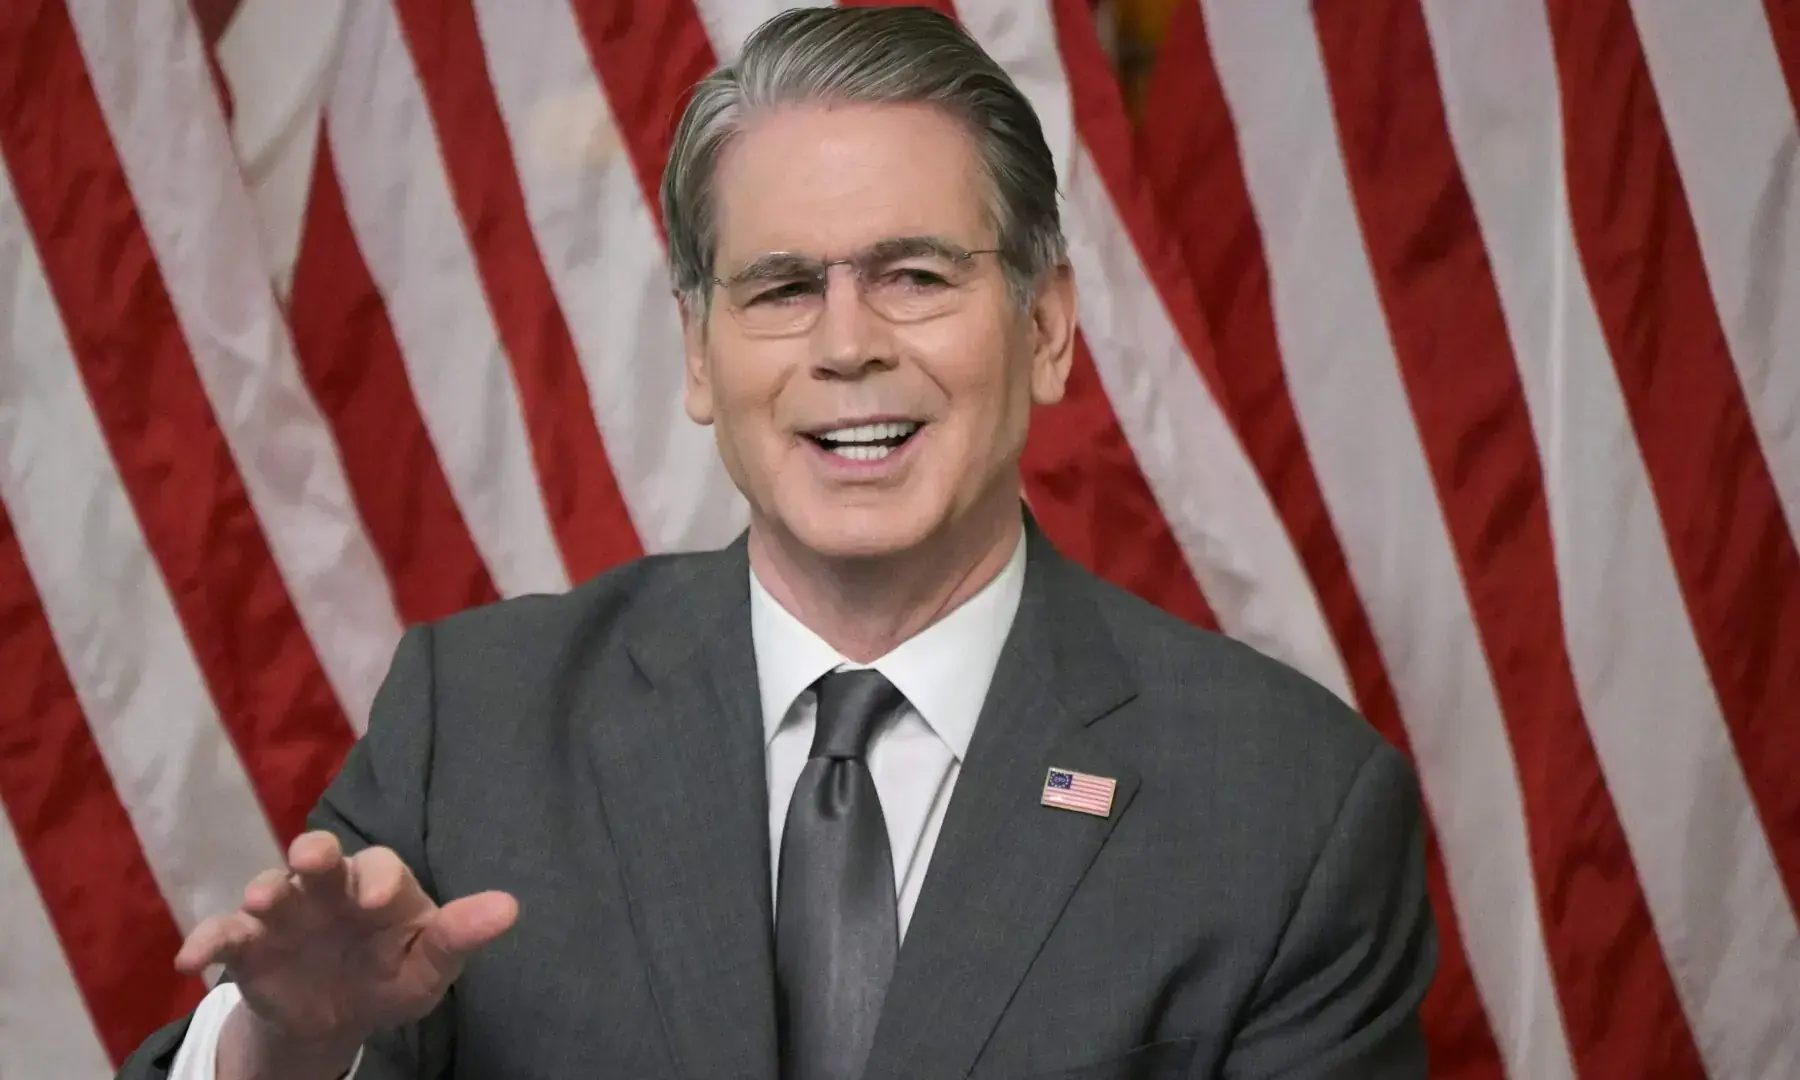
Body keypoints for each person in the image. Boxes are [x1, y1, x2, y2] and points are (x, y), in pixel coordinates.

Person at [118, 7, 1436, 1079]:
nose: (848, 343)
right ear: (700, 354)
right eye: (782, 287)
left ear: (1046, 328)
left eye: (916, 276)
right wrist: (288, 1048)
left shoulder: (1290, 810)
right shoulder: (478, 724)